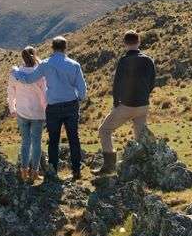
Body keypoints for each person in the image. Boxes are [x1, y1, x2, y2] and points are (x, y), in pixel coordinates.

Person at [10, 35, 87, 181]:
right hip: (71, 105)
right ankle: (76, 171)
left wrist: (15, 71)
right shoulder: (75, 65)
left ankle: (52, 171)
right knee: (74, 138)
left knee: (53, 140)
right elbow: (82, 89)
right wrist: (78, 99)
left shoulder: (45, 64)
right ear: (65, 48)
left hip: (53, 108)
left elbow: (29, 79)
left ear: (52, 47)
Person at [93, 29, 156, 175]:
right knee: (140, 136)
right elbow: (152, 82)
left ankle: (109, 166)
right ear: (139, 42)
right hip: (143, 105)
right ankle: (145, 168)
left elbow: (117, 84)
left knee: (104, 130)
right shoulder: (148, 60)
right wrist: (144, 95)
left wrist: (116, 102)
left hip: (127, 104)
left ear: (125, 44)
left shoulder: (123, 61)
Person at [6, 46, 48, 184]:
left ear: (22, 57)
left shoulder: (15, 74)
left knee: (25, 142)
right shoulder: (40, 74)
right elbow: (46, 93)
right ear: (34, 55)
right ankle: (35, 173)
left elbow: (10, 93)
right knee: (36, 143)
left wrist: (12, 109)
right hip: (38, 112)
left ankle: (24, 172)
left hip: (22, 112)